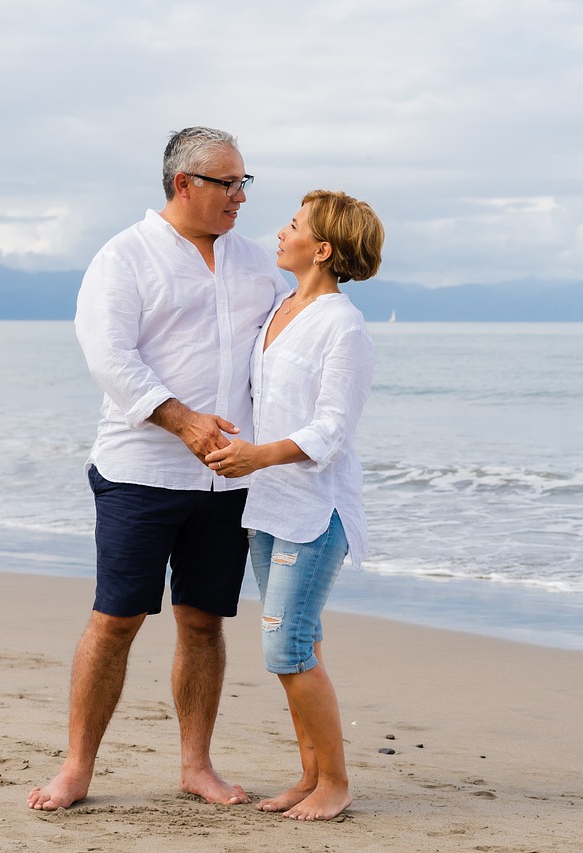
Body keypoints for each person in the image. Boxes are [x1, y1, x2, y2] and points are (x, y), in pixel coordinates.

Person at [28, 127, 289, 811]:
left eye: (244, 183)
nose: (240, 196)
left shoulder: (257, 261)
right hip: (140, 471)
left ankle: (196, 765)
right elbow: (110, 359)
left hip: (227, 478)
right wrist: (184, 420)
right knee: (115, 619)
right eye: (228, 183)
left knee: (204, 621)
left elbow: (278, 358)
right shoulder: (125, 256)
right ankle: (77, 767)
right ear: (184, 184)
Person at [204, 190, 384, 821]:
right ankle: (311, 777)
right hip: (267, 507)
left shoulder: (345, 326)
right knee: (294, 650)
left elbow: (333, 430)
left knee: (289, 650)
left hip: (315, 513)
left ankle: (335, 782)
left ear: (324, 249)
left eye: (294, 225)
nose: (280, 232)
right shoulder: (282, 308)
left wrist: (258, 455)